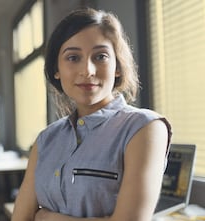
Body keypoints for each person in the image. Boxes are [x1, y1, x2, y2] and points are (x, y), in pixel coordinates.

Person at [12, 8, 172, 221]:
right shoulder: (45, 140)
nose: (87, 70)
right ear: (56, 70)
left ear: (117, 66)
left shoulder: (144, 128)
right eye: (73, 57)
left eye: (100, 56)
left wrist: (47, 218)